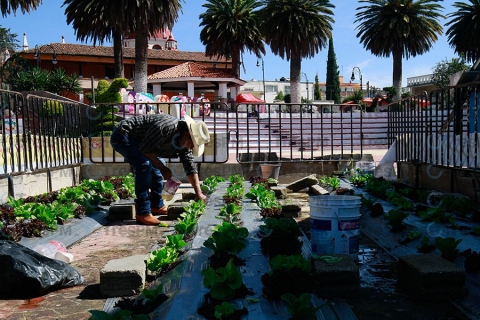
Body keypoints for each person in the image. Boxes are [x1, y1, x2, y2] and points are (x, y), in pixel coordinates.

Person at [110, 114, 210, 225]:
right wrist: (163, 168)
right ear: (187, 135)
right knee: (145, 165)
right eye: (193, 145)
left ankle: (156, 205)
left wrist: (199, 193)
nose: (191, 148)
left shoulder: (183, 141)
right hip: (123, 135)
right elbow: (145, 149)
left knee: (157, 171)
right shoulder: (166, 127)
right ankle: (143, 213)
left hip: (142, 142)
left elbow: (190, 166)